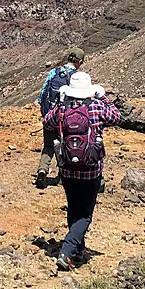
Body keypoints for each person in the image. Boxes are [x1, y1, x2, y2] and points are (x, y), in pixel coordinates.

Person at [42, 71, 120, 272]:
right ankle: (67, 251)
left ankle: (77, 250)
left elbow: (46, 122)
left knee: (73, 208)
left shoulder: (62, 110)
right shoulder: (96, 106)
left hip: (67, 169)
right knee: (85, 215)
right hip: (91, 169)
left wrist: (59, 104)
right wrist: (103, 96)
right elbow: (117, 117)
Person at [36, 48, 86, 188]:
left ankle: (42, 169)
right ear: (80, 61)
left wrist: (46, 114)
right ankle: (63, 175)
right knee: (66, 145)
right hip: (67, 118)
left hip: (49, 115)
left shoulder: (55, 72)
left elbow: (42, 95)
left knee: (48, 145)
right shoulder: (77, 78)